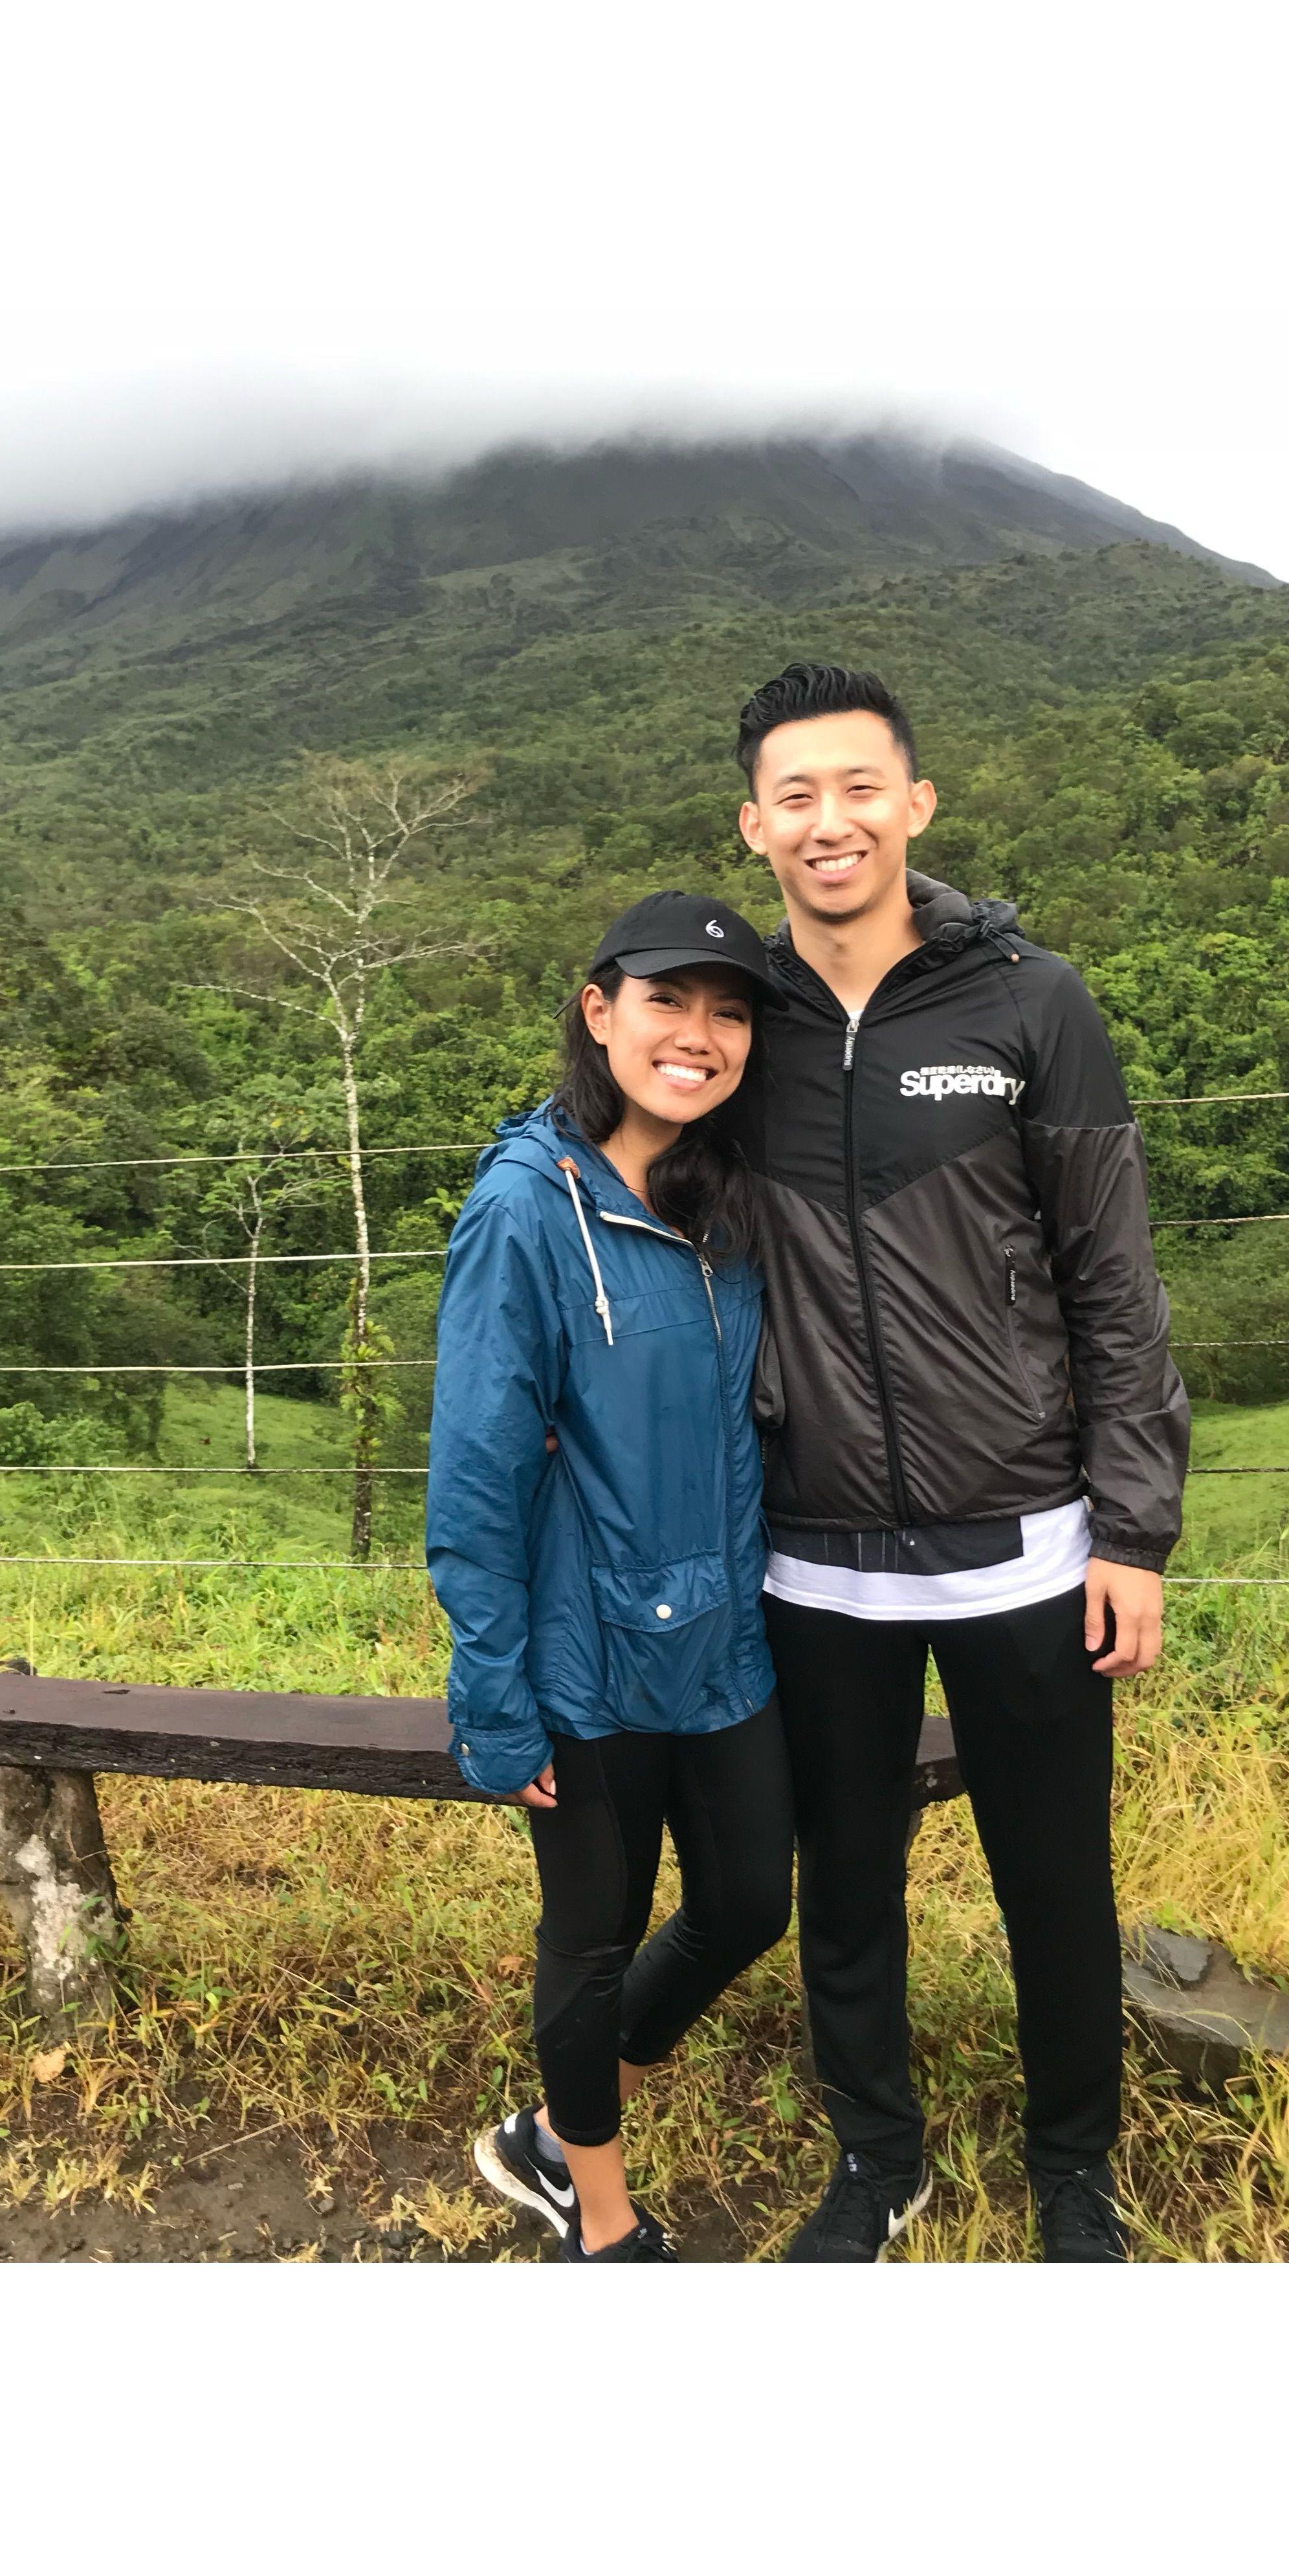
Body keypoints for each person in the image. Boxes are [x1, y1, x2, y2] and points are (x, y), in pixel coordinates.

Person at [720, 662, 1191, 2263]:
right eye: (797, 796)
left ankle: (1075, 2167)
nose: (830, 820)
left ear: (916, 805)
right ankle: (878, 2160)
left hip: (1030, 1547)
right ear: (755, 829)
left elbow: (1112, 1281)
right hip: (811, 1551)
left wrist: (1133, 1527)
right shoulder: (735, 1030)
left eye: (861, 788)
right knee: (845, 1886)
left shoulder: (1029, 1004)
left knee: (1055, 1883)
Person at [430, 890, 792, 2262]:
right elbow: (474, 1468)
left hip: (719, 1639)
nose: (697, 1036)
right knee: (589, 1937)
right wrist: (497, 1694)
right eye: (667, 1001)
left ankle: (559, 2121)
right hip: (585, 1654)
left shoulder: (721, 1197)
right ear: (599, 1011)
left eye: (729, 1011)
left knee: (751, 1900)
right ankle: (600, 2209)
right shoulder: (527, 1210)